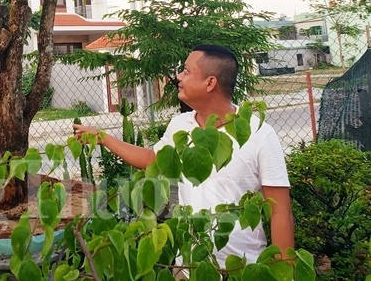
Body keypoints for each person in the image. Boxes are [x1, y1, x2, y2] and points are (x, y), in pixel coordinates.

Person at [72, 44, 294, 267]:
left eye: (186, 71)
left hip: (242, 268)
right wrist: (103, 137)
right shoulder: (181, 125)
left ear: (210, 83)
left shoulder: (259, 134)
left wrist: (285, 270)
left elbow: (279, 210)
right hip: (188, 268)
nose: (178, 77)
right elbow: (152, 159)